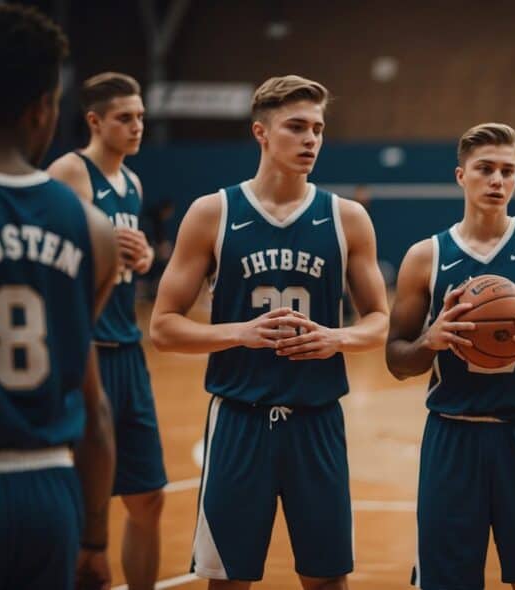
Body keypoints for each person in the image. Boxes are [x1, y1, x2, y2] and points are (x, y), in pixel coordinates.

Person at [150, 75, 389, 589]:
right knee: (228, 579)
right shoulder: (212, 213)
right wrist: (240, 333)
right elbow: (163, 327)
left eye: (318, 129)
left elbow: (380, 321)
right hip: (239, 419)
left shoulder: (347, 218)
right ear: (261, 132)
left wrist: (338, 338)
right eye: (296, 127)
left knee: (327, 578)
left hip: (317, 419)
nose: (310, 140)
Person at [386, 122, 515, 589]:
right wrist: (430, 340)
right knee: (446, 581)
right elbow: (397, 358)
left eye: (508, 170)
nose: (497, 181)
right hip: (451, 435)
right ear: (461, 176)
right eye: (485, 169)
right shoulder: (426, 256)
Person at [0, 5, 118, 589]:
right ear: (44, 108)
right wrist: (95, 539)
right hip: (50, 491)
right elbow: (94, 409)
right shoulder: (94, 231)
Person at [47, 71, 165, 590]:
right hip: (85, 352)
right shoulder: (69, 174)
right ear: (94, 121)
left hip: (128, 348)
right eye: (125, 118)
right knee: (79, 502)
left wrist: (143, 261)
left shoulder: (133, 184)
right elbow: (51, 263)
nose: (137, 126)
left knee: (148, 498)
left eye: (140, 116)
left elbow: (126, 262)